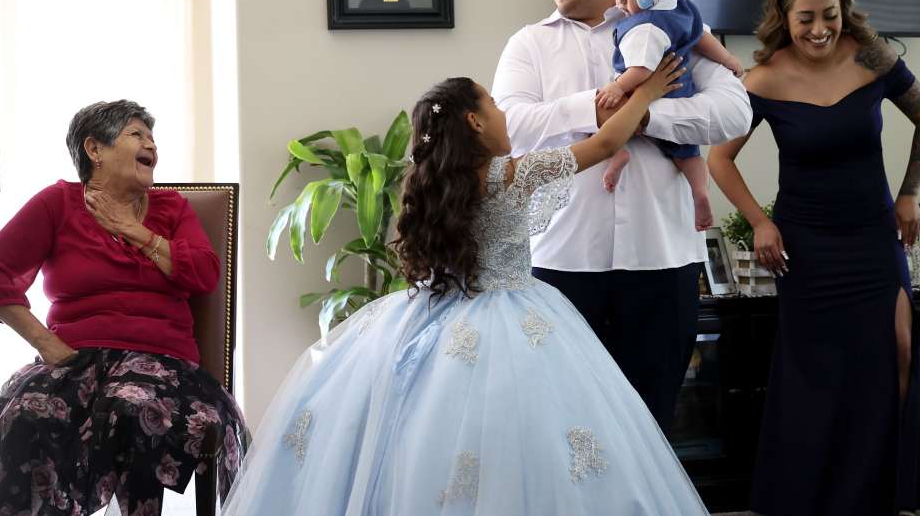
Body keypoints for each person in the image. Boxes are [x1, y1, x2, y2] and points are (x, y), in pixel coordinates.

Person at [224, 61, 708, 515]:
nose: (503, 112)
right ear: (475, 122)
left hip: (430, 312)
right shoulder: (511, 174)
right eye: (494, 104)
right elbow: (605, 144)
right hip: (516, 314)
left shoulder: (430, 184)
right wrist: (646, 92)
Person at [491, 0, 752, 432]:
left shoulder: (672, 21)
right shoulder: (529, 44)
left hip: (663, 260)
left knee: (651, 423)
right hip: (561, 263)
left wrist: (645, 115)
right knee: (561, 425)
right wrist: (597, 110)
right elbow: (508, 128)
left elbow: (734, 113)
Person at [708, 0, 920, 516]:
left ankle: (880, 491)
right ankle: (813, 497)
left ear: (844, 12)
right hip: (808, 245)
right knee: (818, 373)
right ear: (784, 19)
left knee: (898, 349)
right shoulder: (761, 80)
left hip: (873, 234)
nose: (819, 29)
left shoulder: (874, 57)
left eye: (829, 16)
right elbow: (719, 159)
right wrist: (761, 222)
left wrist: (909, 193)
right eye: (806, 18)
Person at [0, 100, 249, 516]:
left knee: (135, 410)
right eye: (137, 134)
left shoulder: (171, 208)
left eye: (152, 137)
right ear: (94, 149)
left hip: (162, 363)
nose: (150, 144)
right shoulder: (58, 203)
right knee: (26, 416)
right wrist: (45, 342)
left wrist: (133, 230)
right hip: (75, 362)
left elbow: (205, 274)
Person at [597, 0, 745, 230]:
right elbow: (701, 37)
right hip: (681, 91)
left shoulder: (646, 27)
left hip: (648, 93)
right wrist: (727, 58)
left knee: (606, 123)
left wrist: (617, 87)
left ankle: (619, 155)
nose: (620, 2)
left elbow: (641, 71)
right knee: (688, 156)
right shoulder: (682, 6)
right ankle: (700, 191)